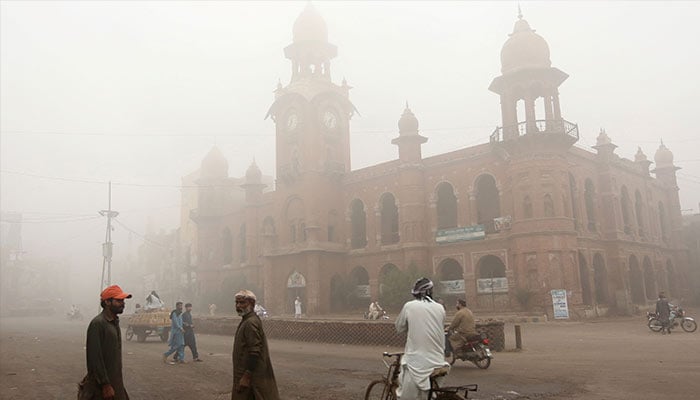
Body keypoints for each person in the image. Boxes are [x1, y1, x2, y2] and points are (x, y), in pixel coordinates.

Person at [395, 278, 450, 400]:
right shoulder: (440, 308)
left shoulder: (409, 306)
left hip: (416, 363)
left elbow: (399, 327)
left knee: (405, 397)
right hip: (438, 361)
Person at [78, 284, 132, 400]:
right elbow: (94, 358)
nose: (123, 303)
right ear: (107, 302)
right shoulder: (98, 324)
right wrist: (105, 384)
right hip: (102, 386)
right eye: (118, 300)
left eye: (123, 300)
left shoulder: (114, 322)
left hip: (115, 382)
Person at [232, 290, 280, 400]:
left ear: (252, 304)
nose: (238, 306)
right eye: (237, 302)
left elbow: (254, 351)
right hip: (246, 375)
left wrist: (246, 376)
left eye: (242, 303)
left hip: (250, 377)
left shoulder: (250, 323)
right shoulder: (247, 320)